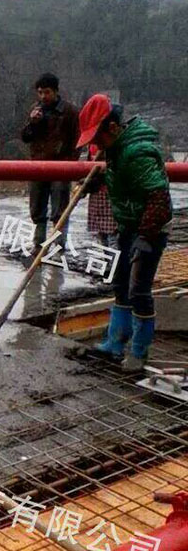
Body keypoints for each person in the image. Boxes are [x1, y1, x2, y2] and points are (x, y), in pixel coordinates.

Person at [78, 94, 173, 370]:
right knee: (120, 282)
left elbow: (158, 198)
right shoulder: (117, 149)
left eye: (97, 137)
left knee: (139, 289)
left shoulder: (137, 152)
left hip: (150, 230)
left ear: (112, 127)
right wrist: (100, 180)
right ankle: (115, 341)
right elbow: (127, 183)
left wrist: (145, 237)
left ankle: (139, 351)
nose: (96, 144)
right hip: (130, 225)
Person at [21, 72, 80, 251]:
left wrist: (70, 164)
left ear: (55, 91)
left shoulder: (69, 111)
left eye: (47, 92)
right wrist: (33, 123)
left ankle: (59, 246)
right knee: (37, 207)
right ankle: (38, 244)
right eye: (40, 92)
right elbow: (25, 137)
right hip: (38, 165)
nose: (43, 96)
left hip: (61, 166)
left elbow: (77, 140)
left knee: (60, 209)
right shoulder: (36, 110)